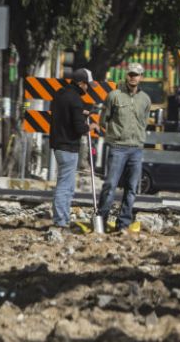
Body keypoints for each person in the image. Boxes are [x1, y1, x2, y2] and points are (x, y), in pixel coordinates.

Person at [97, 62, 151, 232]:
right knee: (110, 185)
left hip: (136, 148)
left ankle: (123, 224)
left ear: (141, 77)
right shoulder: (114, 96)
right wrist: (113, 136)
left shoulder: (145, 100)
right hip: (118, 147)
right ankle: (101, 221)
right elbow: (102, 120)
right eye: (131, 74)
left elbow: (144, 122)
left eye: (137, 75)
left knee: (132, 188)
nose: (133, 77)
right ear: (127, 75)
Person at [49, 68, 99, 229]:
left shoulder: (60, 94)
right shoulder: (76, 100)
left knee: (66, 185)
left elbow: (66, 113)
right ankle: (61, 222)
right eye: (86, 85)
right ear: (81, 83)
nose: (87, 88)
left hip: (58, 145)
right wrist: (91, 126)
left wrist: (80, 111)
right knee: (65, 187)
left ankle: (62, 219)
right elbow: (79, 128)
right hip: (69, 147)